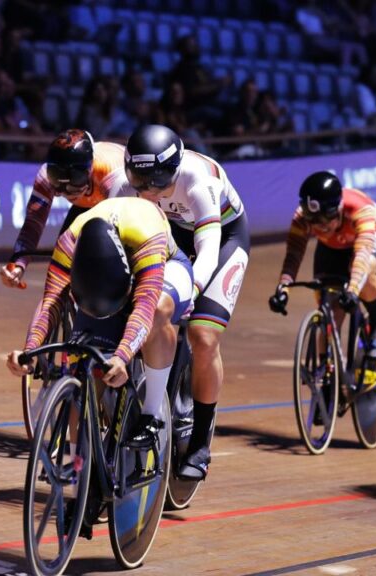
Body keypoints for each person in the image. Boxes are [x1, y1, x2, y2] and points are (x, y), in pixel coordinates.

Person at [6, 197, 194, 453]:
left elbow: (144, 309)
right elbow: (51, 303)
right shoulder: (69, 242)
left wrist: (122, 356)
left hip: (167, 264)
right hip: (107, 271)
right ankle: (79, 464)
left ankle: (152, 415)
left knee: (159, 310)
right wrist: (29, 350)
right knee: (82, 374)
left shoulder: (147, 237)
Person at [124, 124, 250, 482]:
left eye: (158, 183)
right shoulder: (135, 181)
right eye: (141, 183)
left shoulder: (198, 179)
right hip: (175, 233)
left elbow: (207, 250)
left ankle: (200, 443)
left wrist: (191, 292)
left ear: (175, 170)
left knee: (203, 336)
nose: (150, 191)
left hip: (223, 238)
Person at [269, 172, 376, 359]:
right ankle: (326, 368)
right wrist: (283, 289)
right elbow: (293, 255)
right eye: (314, 222)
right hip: (334, 246)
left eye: (324, 220)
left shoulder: (360, 210)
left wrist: (353, 290)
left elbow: (362, 254)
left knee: (363, 268)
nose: (320, 227)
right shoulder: (302, 217)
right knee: (330, 306)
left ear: (338, 209)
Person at [0, 129, 132, 288]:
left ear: (90, 168)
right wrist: (18, 264)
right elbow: (32, 225)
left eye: (75, 178)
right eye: (57, 180)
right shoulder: (46, 176)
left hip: (125, 198)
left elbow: (124, 234)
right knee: (62, 260)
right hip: (87, 204)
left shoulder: (111, 175)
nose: (66, 191)